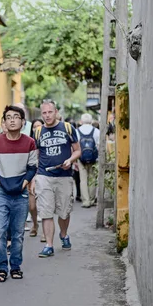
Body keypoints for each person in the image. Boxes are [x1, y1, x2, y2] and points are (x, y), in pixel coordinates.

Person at [0, 105, 37, 282]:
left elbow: (32, 167)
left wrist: (24, 183)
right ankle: (1, 268)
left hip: (20, 192)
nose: (12, 120)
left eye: (16, 117)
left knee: (18, 233)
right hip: (1, 192)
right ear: (4, 122)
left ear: (23, 122)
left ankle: (15, 266)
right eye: (9, 117)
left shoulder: (29, 142)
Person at [31, 100, 81, 258]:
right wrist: (33, 178)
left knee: (64, 212)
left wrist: (70, 160)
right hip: (44, 176)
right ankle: (49, 245)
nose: (47, 115)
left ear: (56, 112)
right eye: (44, 113)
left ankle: (64, 235)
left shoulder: (67, 128)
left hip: (64, 176)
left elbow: (78, 150)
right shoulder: (38, 131)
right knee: (46, 212)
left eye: (49, 112)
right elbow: (35, 156)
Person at [77, 113, 101, 208]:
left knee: (83, 180)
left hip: (81, 158)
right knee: (92, 178)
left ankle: (85, 201)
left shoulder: (77, 131)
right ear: (91, 121)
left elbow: (75, 146)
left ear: (81, 121)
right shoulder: (96, 131)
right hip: (94, 158)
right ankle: (91, 199)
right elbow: (99, 145)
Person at [28, 119, 44, 239]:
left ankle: (45, 231)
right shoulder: (28, 142)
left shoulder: (46, 141)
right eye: (35, 126)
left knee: (44, 204)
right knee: (32, 206)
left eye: (39, 126)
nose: (37, 128)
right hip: (31, 175)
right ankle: (35, 224)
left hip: (44, 175)